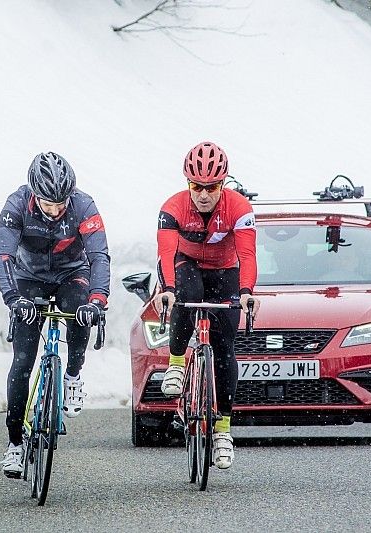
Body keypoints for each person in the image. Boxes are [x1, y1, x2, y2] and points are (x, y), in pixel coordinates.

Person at [0, 152, 110, 477]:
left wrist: (97, 300)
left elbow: (99, 256)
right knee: (22, 362)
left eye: (62, 202)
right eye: (48, 203)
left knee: (80, 311)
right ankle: (15, 443)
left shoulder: (84, 205)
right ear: (34, 194)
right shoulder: (16, 205)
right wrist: (13, 298)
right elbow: (3, 255)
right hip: (29, 278)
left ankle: (72, 375)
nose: (57, 209)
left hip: (72, 274)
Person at [151, 141, 259, 470]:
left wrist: (247, 291)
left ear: (223, 184)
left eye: (211, 187)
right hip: (185, 264)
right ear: (187, 184)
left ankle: (223, 431)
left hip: (225, 270)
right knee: (186, 292)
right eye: (196, 186)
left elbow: (247, 256)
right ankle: (176, 362)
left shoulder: (239, 209)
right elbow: (166, 254)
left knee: (225, 346)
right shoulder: (173, 208)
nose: (203, 194)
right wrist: (167, 289)